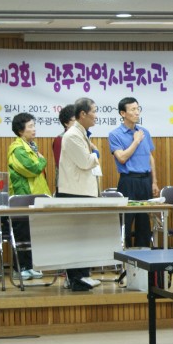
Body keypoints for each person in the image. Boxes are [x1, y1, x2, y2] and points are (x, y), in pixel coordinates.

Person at [57, 97, 102, 291]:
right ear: (83, 114)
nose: (96, 116)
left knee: (84, 237)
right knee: (76, 238)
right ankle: (76, 279)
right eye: (94, 111)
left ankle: (83, 276)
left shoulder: (81, 133)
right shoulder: (72, 135)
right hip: (74, 193)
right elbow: (85, 162)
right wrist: (96, 154)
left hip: (82, 192)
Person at [109, 97, 159, 247]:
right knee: (126, 221)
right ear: (123, 113)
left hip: (145, 180)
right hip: (128, 181)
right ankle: (124, 255)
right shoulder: (115, 134)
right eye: (133, 109)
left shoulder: (144, 132)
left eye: (138, 109)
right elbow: (122, 158)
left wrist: (154, 182)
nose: (137, 112)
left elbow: (150, 157)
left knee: (144, 223)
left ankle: (144, 256)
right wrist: (136, 141)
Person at [7, 112, 49, 280]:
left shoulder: (32, 146)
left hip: (34, 196)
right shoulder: (17, 149)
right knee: (22, 233)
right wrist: (42, 160)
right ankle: (20, 268)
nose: (34, 129)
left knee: (32, 234)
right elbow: (32, 168)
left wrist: (39, 159)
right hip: (22, 196)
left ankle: (30, 266)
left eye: (34, 125)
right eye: (30, 126)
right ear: (20, 130)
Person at [52, 104, 76, 193]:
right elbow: (60, 164)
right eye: (75, 120)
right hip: (66, 185)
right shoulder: (60, 139)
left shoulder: (82, 137)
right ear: (66, 123)